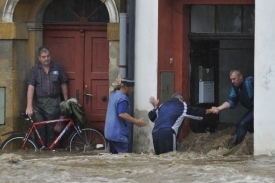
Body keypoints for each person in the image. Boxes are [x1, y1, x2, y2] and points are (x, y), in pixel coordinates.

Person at [25, 46, 68, 149]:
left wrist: (66, 101)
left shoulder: (57, 67)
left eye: (48, 56)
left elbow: (63, 84)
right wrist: (29, 105)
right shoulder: (35, 69)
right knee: (40, 128)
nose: (46, 59)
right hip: (38, 104)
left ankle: (52, 150)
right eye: (43, 57)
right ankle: (41, 150)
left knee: (52, 129)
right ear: (39, 58)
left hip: (53, 102)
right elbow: (31, 87)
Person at [148, 93, 215, 155]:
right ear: (180, 99)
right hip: (168, 132)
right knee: (170, 158)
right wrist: (211, 110)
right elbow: (196, 112)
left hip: (155, 132)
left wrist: (155, 106)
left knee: (159, 159)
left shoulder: (163, 105)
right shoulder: (182, 105)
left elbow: (153, 118)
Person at [104, 77, 146, 154]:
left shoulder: (114, 95)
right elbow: (122, 114)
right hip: (119, 135)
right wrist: (137, 121)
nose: (133, 90)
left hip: (110, 133)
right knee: (123, 160)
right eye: (132, 88)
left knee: (115, 160)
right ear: (126, 87)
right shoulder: (122, 98)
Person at [212, 69, 254, 145]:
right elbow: (231, 101)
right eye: (231, 79)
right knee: (239, 125)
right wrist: (219, 108)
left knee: (243, 124)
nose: (232, 81)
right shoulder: (235, 87)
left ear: (240, 76)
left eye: (234, 79)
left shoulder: (250, 81)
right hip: (253, 109)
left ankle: (238, 148)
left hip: (260, 108)